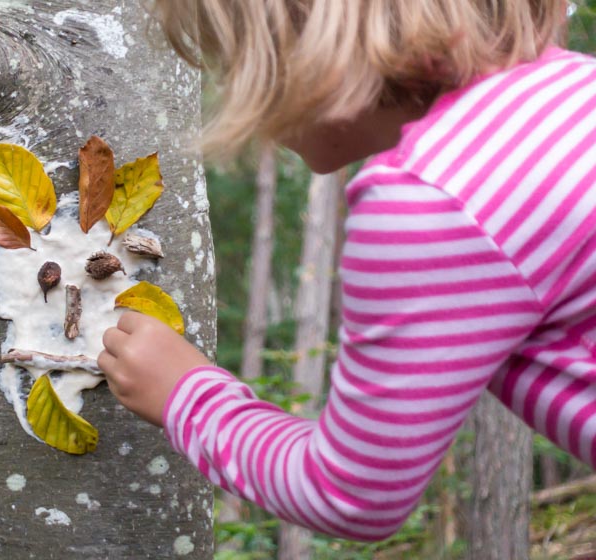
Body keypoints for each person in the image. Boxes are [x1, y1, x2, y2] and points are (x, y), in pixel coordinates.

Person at [97, 0, 595, 540]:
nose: (239, 93)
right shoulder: (571, 90)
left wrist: (185, 395)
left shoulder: (430, 199)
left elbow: (351, 494)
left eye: (239, 62)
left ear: (302, 41)